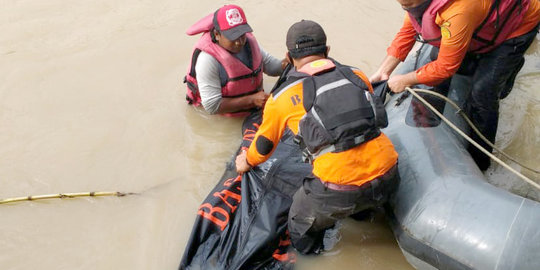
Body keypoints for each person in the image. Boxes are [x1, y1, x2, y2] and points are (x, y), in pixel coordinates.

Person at [235, 20, 400, 254]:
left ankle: (313, 258)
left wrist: (246, 161)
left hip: (339, 189)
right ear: (328, 51)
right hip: (390, 174)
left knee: (299, 222)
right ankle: (365, 214)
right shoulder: (357, 74)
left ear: (288, 57)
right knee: (362, 193)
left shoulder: (281, 97)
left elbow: (263, 147)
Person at [370, 0, 540, 171]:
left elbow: (445, 68)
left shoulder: (458, 11)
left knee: (483, 92)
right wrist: (384, 71)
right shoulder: (419, 6)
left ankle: (481, 162)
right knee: (447, 57)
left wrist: (405, 79)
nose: (406, 9)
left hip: (519, 24)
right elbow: (408, 31)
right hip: (485, 19)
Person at [184, 4, 286, 116]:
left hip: (253, 105)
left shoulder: (249, 43)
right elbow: (212, 106)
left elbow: (272, 67)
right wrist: (251, 100)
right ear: (217, 35)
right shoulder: (207, 60)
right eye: (233, 37)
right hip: (224, 118)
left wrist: (288, 62)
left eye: (242, 35)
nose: (239, 42)